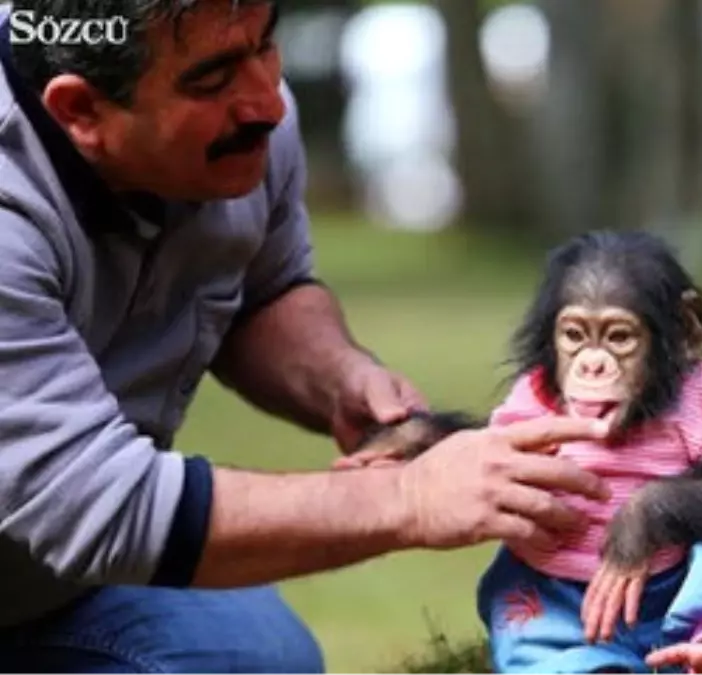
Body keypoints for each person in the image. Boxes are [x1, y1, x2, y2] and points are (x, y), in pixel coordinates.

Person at [0, 1, 614, 672]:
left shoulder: (242, 120)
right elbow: (99, 505)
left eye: (265, 47)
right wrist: (411, 499)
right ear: (81, 112)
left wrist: (337, 378)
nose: (267, 103)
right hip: (56, 542)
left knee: (252, 655)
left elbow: (259, 286)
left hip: (48, 582)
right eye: (212, 80)